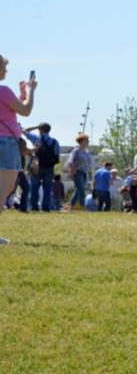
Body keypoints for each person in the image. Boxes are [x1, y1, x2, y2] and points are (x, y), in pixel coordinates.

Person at [0, 55, 36, 244]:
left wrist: (21, 94)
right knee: (5, 188)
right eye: (4, 68)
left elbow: (8, 109)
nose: (6, 71)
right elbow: (25, 111)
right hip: (6, 142)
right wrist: (32, 91)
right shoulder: (3, 90)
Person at [24, 122, 60, 212]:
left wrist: (36, 126)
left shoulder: (36, 139)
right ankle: (46, 208)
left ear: (40, 130)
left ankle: (34, 207)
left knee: (34, 187)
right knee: (47, 189)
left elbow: (24, 131)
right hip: (49, 167)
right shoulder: (55, 142)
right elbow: (56, 156)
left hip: (37, 166)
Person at [64, 133, 92, 211]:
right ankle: (83, 207)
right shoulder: (76, 150)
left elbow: (89, 164)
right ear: (81, 141)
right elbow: (70, 162)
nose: (87, 142)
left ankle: (71, 206)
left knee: (78, 191)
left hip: (84, 173)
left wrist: (90, 174)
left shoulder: (87, 152)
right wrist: (72, 171)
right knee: (82, 190)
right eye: (85, 140)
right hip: (77, 172)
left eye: (87, 141)